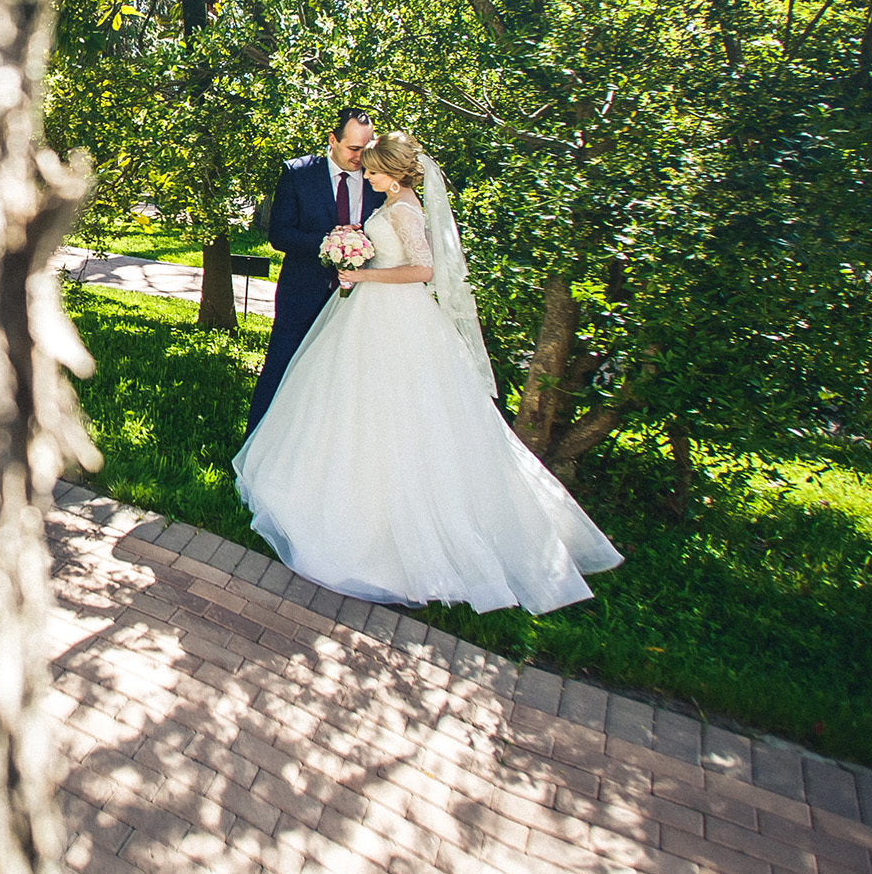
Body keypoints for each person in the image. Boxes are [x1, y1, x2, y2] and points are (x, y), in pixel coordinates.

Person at [234, 132, 621, 614]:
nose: (366, 176)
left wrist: (362, 272)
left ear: (393, 176)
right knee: (355, 407)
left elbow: (424, 270)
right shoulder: (394, 203)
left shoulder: (403, 209)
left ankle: (384, 525)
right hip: (370, 315)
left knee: (396, 413)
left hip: (396, 318)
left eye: (373, 170)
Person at [246, 107, 383, 436]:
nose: (360, 157)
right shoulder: (298, 173)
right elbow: (279, 234)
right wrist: (329, 243)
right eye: (353, 149)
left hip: (361, 301)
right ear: (332, 140)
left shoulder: (378, 178)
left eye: (366, 148)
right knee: (281, 368)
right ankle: (253, 448)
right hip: (302, 292)